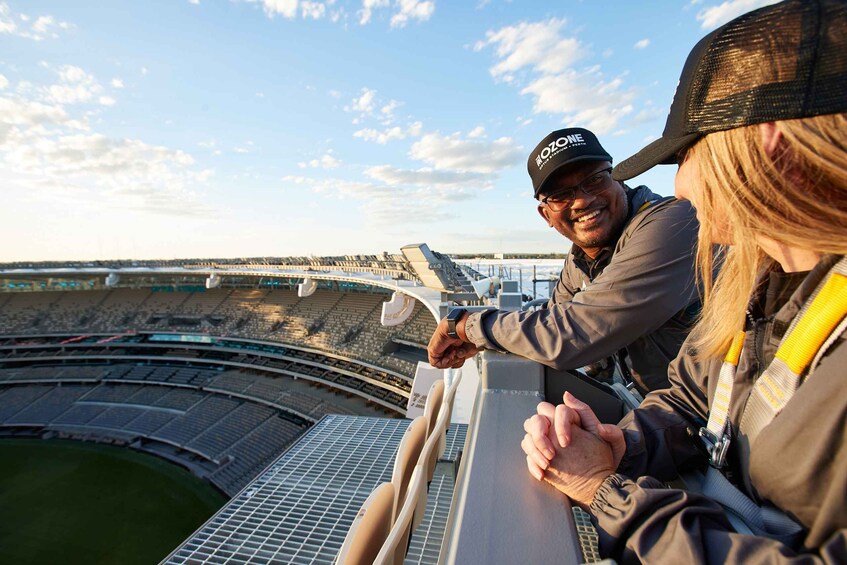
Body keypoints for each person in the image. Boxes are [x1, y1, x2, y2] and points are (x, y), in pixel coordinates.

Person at [521, 0, 847, 562]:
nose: (682, 183)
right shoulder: (767, 279)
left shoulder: (676, 231)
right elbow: (697, 401)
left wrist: (603, 491)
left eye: (688, 153)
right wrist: (623, 444)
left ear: (769, 148)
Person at [427, 127, 700, 394]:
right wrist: (490, 340)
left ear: (619, 179)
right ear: (546, 215)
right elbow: (554, 317)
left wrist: (469, 326)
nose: (581, 201)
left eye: (594, 180)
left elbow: (574, 332)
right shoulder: (582, 254)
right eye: (560, 195)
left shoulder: (673, 225)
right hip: (658, 411)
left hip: (713, 424)